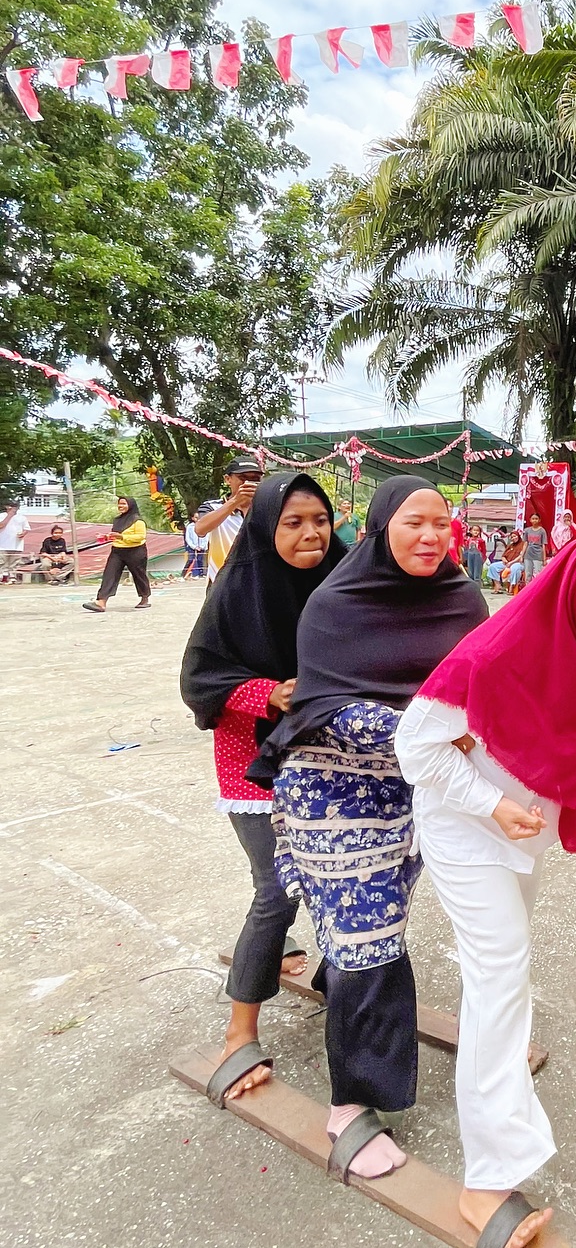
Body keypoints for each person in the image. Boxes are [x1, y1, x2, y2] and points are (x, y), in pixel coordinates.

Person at [395, 531, 576, 1248]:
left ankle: (494, 1107)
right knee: (500, 977)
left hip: (521, 832)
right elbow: (415, 747)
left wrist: (531, 803)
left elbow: (565, 734)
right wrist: (487, 802)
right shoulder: (490, 654)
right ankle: (489, 1175)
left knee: (501, 974)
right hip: (465, 831)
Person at [249, 480, 487, 1179]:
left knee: (387, 923)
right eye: (416, 522)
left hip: (420, 790)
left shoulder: (463, 599)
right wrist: (442, 734)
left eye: (443, 524)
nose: (432, 536)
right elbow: (330, 708)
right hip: (334, 788)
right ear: (383, 526)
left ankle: (342, 984)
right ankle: (353, 1102)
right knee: (366, 936)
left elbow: (485, 683)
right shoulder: (334, 605)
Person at [180, 472, 349, 1103]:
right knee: (277, 890)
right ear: (264, 528)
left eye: (320, 521)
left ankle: (344, 981)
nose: (311, 533)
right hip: (253, 760)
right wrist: (265, 693)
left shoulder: (344, 578)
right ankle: (239, 1031)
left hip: (327, 757)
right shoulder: (238, 588)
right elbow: (201, 677)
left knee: (338, 877)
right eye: (293, 522)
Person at [193, 454, 264, 582]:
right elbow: (200, 529)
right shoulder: (212, 507)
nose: (248, 483)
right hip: (221, 582)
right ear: (227, 479)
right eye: (242, 478)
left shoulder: (267, 507)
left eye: (255, 479)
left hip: (258, 579)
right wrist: (235, 501)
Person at [82, 495, 151, 611]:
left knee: (139, 575)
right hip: (117, 551)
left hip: (135, 551)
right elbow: (117, 535)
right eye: (119, 503)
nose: (121, 506)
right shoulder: (117, 520)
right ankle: (101, 602)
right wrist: (107, 537)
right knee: (109, 574)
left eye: (124, 504)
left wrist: (121, 536)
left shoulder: (138, 521)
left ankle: (144, 598)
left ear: (131, 505)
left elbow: (140, 536)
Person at [0, 501, 32, 581]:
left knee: (14, 563)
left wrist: (23, 534)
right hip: (2, 544)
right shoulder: (1, 515)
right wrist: (9, 515)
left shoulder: (22, 518)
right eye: (11, 506)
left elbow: (27, 529)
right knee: (2, 562)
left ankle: (12, 577)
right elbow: (1, 525)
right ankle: (2, 578)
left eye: (15, 506)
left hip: (16, 545)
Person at [522, 514, 547, 584]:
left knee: (538, 573)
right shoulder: (527, 530)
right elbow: (525, 543)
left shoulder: (542, 531)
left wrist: (544, 558)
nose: (534, 520)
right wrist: (522, 555)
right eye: (533, 519)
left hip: (538, 554)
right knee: (528, 574)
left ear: (539, 520)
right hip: (528, 554)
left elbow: (543, 545)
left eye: (536, 518)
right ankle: (527, 590)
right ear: (530, 520)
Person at [182, 512, 207, 579]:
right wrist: (194, 546)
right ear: (193, 518)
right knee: (190, 559)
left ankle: (200, 574)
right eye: (196, 517)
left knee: (200, 560)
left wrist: (202, 546)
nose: (198, 519)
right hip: (192, 546)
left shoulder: (203, 525)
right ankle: (183, 575)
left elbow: (206, 536)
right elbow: (188, 538)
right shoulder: (190, 527)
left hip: (201, 546)